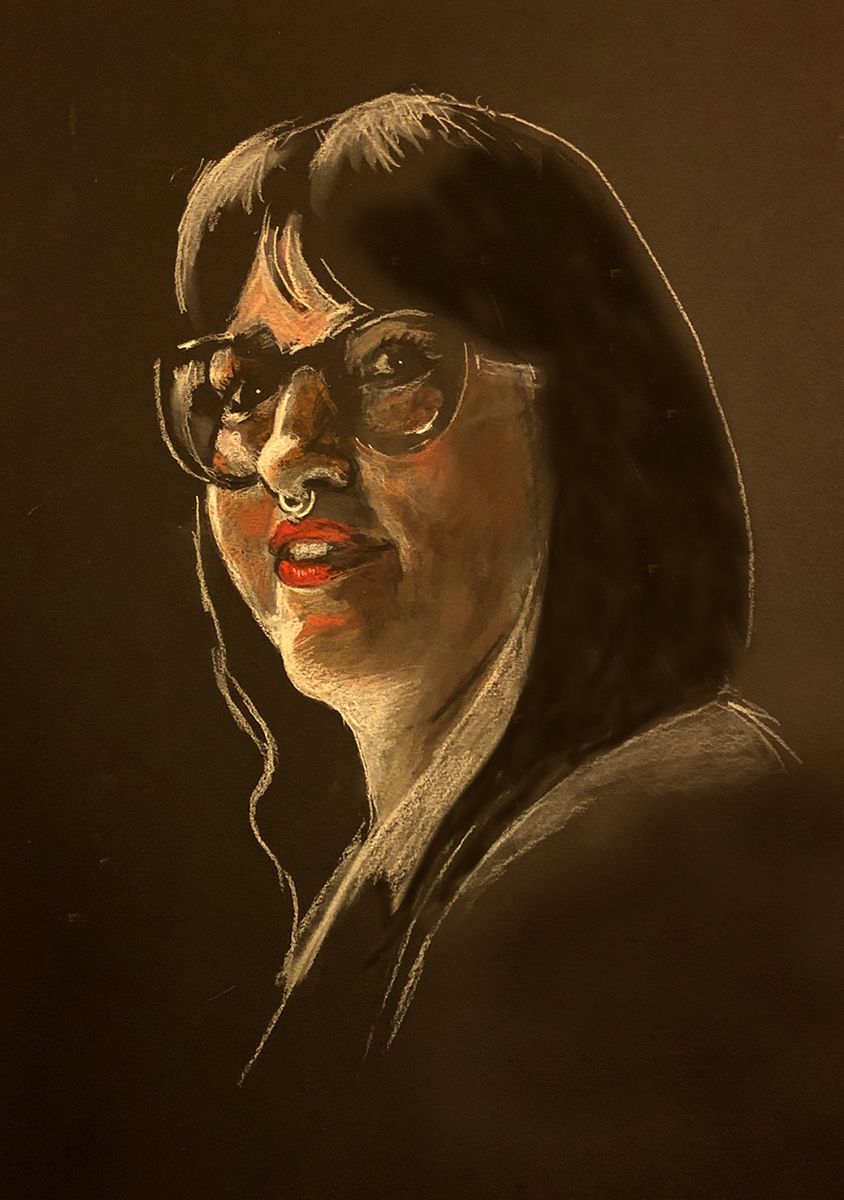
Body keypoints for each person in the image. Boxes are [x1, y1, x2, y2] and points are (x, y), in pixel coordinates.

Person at [156, 93, 842, 1197]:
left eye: (391, 363)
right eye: (242, 386)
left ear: (587, 413)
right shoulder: (400, 878)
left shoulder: (656, 890)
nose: (288, 451)